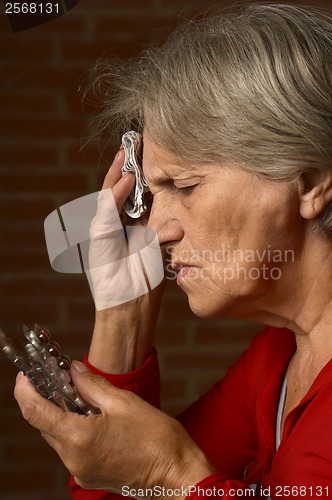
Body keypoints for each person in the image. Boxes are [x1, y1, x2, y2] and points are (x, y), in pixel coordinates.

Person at [14, 3, 332, 498]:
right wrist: (124, 315)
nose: (155, 229)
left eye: (184, 185)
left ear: (309, 182)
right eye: (153, 195)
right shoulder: (277, 357)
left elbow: (152, 477)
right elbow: (114, 481)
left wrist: (169, 472)